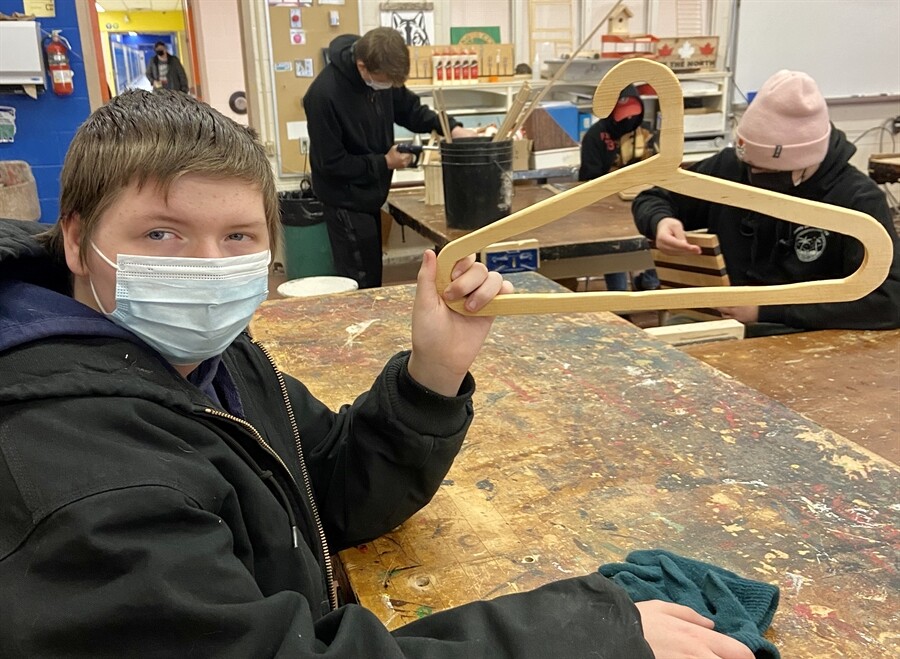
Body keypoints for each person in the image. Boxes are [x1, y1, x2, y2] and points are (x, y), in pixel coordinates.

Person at [0, 90, 756, 658]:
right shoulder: (77, 470)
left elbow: (324, 482)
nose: (207, 267)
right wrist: (595, 636)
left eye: (237, 235)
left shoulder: (204, 362)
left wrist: (433, 371)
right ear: (76, 239)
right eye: (162, 233)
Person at [633, 70, 900, 336]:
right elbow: (655, 197)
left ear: (805, 164)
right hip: (723, 324)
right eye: (749, 166)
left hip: (804, 334)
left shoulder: (857, 201)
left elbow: (889, 301)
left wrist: (768, 309)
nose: (753, 176)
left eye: (768, 172)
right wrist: (660, 221)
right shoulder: (732, 167)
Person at [303, 27, 475, 290]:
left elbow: (411, 110)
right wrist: (384, 162)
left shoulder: (380, 74)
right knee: (360, 283)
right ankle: (361, 327)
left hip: (371, 194)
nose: (388, 88)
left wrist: (451, 127)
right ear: (362, 67)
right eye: (385, 81)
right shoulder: (323, 96)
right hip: (344, 202)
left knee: (372, 277)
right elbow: (331, 163)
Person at [579, 84, 659, 292]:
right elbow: (590, 178)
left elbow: (659, 169)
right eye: (622, 116)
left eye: (633, 115)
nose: (628, 121)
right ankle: (620, 297)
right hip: (603, 208)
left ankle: (649, 282)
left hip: (640, 200)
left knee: (662, 230)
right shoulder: (595, 137)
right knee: (614, 249)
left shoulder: (646, 134)